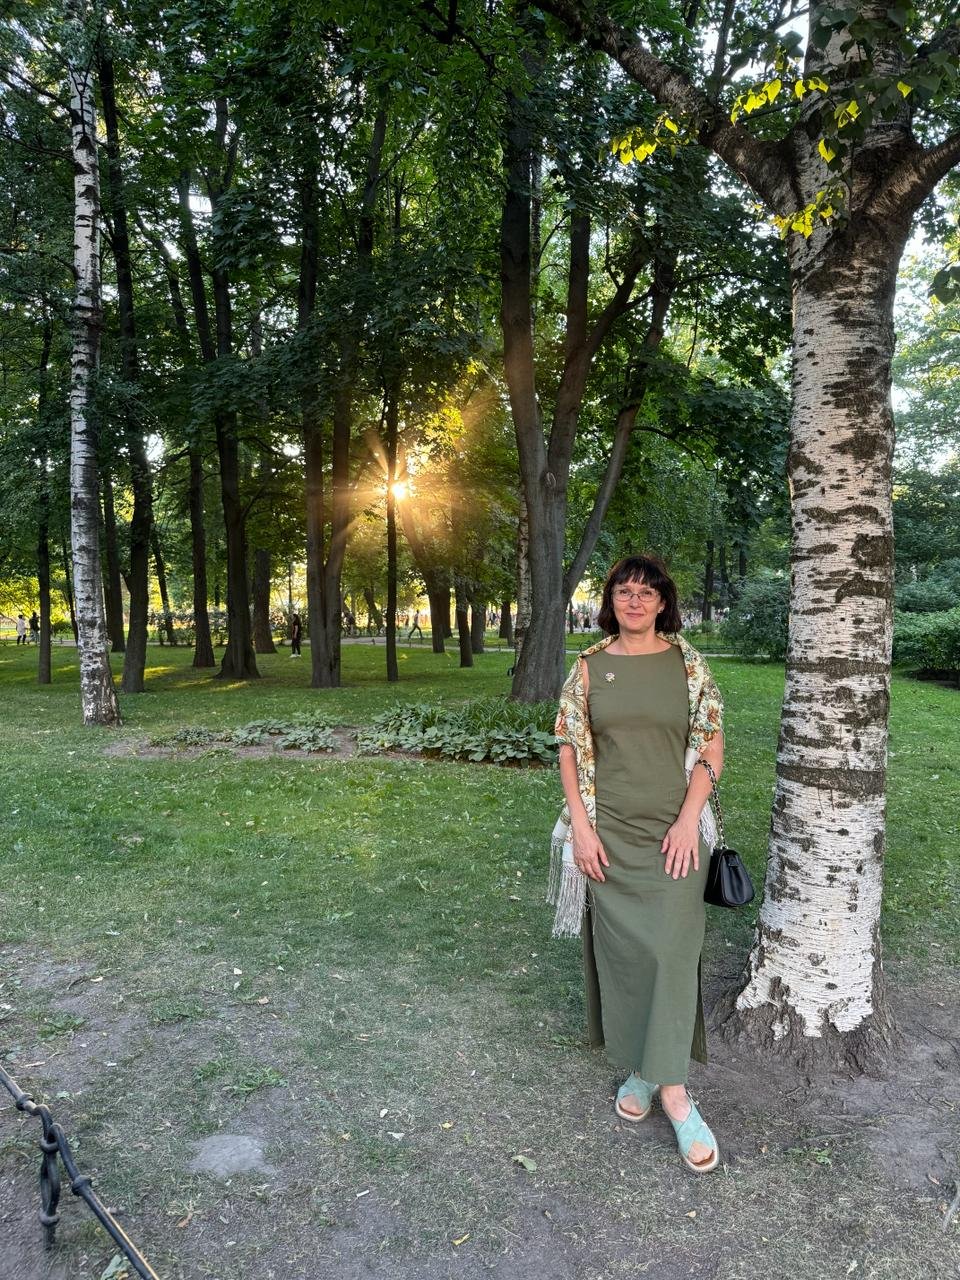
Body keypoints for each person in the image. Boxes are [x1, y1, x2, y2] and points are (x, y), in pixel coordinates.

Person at [548, 554, 724, 1174]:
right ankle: (644, 1070)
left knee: (670, 952)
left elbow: (711, 747)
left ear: (664, 602)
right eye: (624, 591)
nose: (635, 601)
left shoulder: (688, 664)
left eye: (647, 592)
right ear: (611, 602)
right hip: (610, 836)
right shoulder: (588, 667)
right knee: (626, 954)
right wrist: (581, 830)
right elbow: (570, 749)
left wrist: (687, 820)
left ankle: (672, 1092)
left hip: (676, 835)